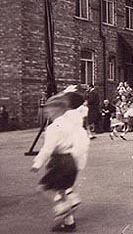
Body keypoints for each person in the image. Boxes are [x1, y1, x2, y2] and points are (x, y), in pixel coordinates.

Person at [31, 85, 90, 232]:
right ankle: (69, 222)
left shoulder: (54, 128)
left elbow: (47, 149)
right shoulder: (73, 122)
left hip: (59, 161)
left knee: (42, 189)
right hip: (71, 159)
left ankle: (66, 205)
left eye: (49, 111)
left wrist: (37, 164)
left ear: (56, 111)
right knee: (62, 190)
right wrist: (65, 93)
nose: (47, 114)